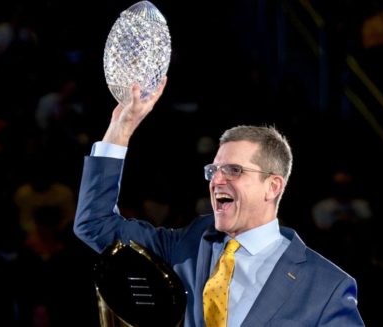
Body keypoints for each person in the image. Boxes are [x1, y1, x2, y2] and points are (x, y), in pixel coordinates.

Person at [74, 78, 365, 326]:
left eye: (234, 170)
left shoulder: (326, 287)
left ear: (272, 186)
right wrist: (120, 130)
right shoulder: (186, 246)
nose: (217, 180)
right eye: (214, 170)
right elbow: (94, 223)